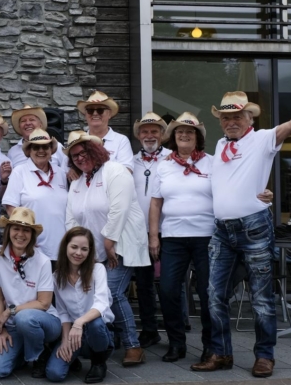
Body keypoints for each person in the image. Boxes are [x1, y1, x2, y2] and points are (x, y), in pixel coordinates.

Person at [193, 65, 291, 379]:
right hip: (222, 230)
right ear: (219, 121)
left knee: (262, 296)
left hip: (254, 227)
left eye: (237, 116)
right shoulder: (220, 146)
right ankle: (220, 353)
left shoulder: (263, 139)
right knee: (213, 295)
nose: (231, 122)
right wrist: (262, 192)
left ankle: (265, 356)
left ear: (250, 118)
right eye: (226, 117)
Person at [64, 131, 149, 367]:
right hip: (93, 251)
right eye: (74, 157)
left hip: (120, 245)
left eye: (83, 153)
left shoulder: (115, 170)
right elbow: (71, 218)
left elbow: (118, 210)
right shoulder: (78, 182)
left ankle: (133, 346)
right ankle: (107, 341)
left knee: (112, 292)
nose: (80, 159)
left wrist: (109, 242)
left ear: (96, 150)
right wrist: (76, 248)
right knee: (98, 295)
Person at [148, 112, 214, 364]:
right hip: (173, 238)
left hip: (206, 237)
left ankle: (211, 346)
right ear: (173, 137)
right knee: (167, 291)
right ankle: (177, 344)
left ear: (198, 137)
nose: (184, 135)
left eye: (189, 132)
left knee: (208, 293)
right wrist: (154, 236)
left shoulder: (212, 162)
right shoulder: (163, 165)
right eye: (179, 132)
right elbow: (155, 203)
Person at [0, 207, 61, 379]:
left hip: (45, 321)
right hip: (13, 325)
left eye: (26, 230)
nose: (21, 234)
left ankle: (40, 354)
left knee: (24, 317)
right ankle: (23, 354)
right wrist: (1, 330)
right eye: (16, 228)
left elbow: (44, 303)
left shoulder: (43, 261)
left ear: (32, 235)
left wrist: (9, 311)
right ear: (8, 231)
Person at [46, 227, 115, 384]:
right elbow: (62, 311)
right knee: (54, 374)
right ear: (66, 247)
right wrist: (65, 340)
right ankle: (74, 358)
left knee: (95, 324)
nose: (78, 253)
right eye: (74, 247)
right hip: (74, 333)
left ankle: (99, 363)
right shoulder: (57, 277)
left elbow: (101, 303)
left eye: (84, 249)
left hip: (98, 330)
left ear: (90, 251)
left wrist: (79, 322)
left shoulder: (98, 269)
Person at [131, 112, 171, 349]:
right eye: (145, 131)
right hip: (138, 231)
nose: (149, 135)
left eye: (154, 131)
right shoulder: (130, 162)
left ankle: (177, 326)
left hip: (168, 229)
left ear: (163, 135)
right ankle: (149, 329)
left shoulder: (173, 159)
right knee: (144, 284)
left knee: (170, 283)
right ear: (138, 136)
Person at [3, 128, 68, 261]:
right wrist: (25, 237)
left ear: (51, 150)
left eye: (45, 147)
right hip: (33, 246)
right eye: (36, 147)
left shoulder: (60, 173)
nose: (41, 151)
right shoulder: (19, 172)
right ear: (29, 151)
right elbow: (11, 208)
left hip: (61, 247)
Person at [78, 91, 134, 171]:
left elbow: (127, 170)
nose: (95, 113)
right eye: (90, 110)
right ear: (85, 115)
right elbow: (67, 171)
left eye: (100, 110)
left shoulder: (121, 141)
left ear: (109, 114)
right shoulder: (78, 141)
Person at [7, 105, 67, 169]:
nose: (27, 123)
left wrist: (72, 170)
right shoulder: (12, 152)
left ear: (40, 124)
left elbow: (67, 170)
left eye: (32, 119)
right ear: (19, 127)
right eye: (23, 121)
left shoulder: (57, 147)